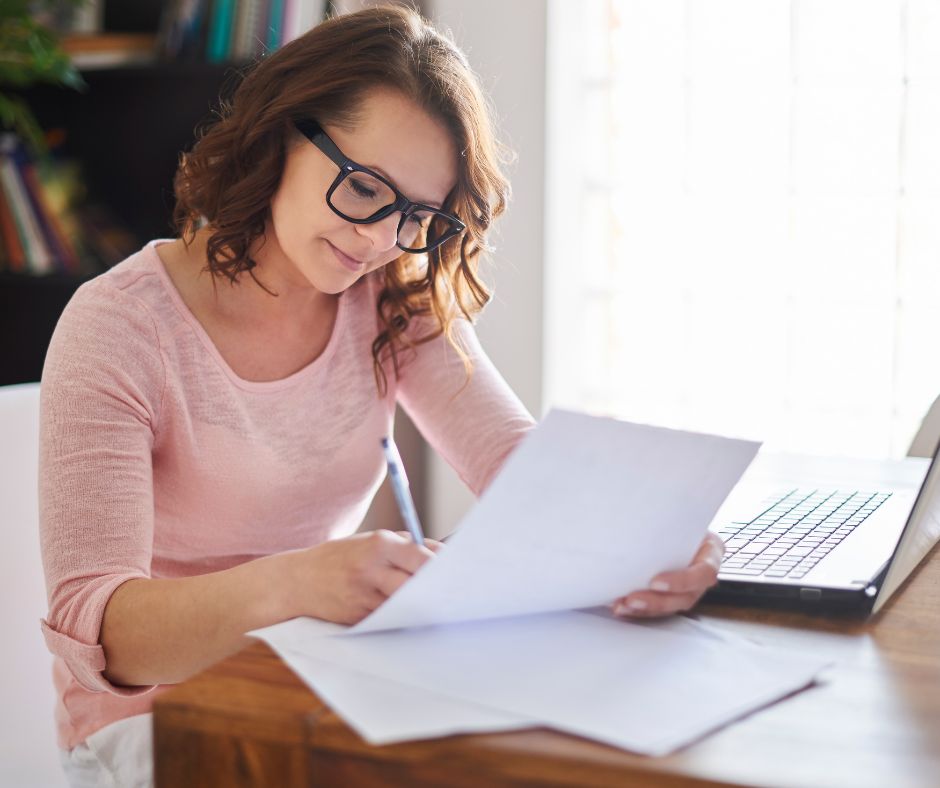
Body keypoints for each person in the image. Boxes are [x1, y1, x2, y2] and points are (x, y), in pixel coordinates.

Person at [38, 5, 725, 786]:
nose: (378, 240)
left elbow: (523, 470)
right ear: (282, 133)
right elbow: (102, 635)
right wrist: (296, 583)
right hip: (159, 722)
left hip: (329, 683)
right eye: (365, 189)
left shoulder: (391, 298)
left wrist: (661, 539)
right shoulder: (121, 325)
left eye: (417, 217)